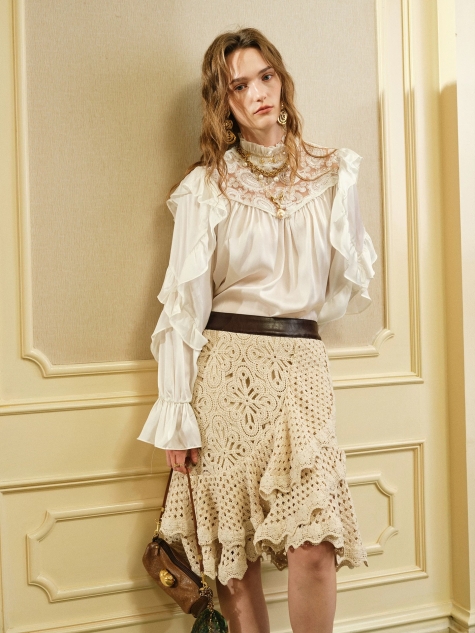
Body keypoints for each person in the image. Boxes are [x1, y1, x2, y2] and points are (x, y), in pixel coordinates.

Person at [139, 27, 376, 633]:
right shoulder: (206, 188)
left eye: (265, 76)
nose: (258, 93)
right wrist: (177, 410)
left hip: (301, 370)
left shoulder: (333, 174)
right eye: (238, 86)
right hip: (224, 376)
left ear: (282, 80)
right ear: (223, 103)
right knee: (234, 556)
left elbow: (337, 290)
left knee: (314, 550)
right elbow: (183, 308)